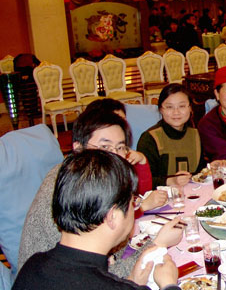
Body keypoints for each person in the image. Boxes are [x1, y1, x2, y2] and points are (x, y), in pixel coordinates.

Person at [10, 150, 197, 290]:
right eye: (133, 202)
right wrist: (170, 288)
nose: (135, 209)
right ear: (112, 216)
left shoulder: (31, 267)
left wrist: (130, 283)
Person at [18, 110, 182, 277]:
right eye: (104, 147)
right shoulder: (71, 193)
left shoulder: (92, 178)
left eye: (120, 147)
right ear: (78, 148)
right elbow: (98, 278)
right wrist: (156, 245)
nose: (114, 155)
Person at [138, 84, 217, 189]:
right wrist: (171, 181)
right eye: (169, 107)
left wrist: (211, 167)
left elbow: (200, 172)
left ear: (190, 108)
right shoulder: (149, 139)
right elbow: (142, 181)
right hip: (162, 196)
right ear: (160, 109)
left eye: (182, 106)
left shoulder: (196, 135)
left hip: (194, 193)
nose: (176, 112)